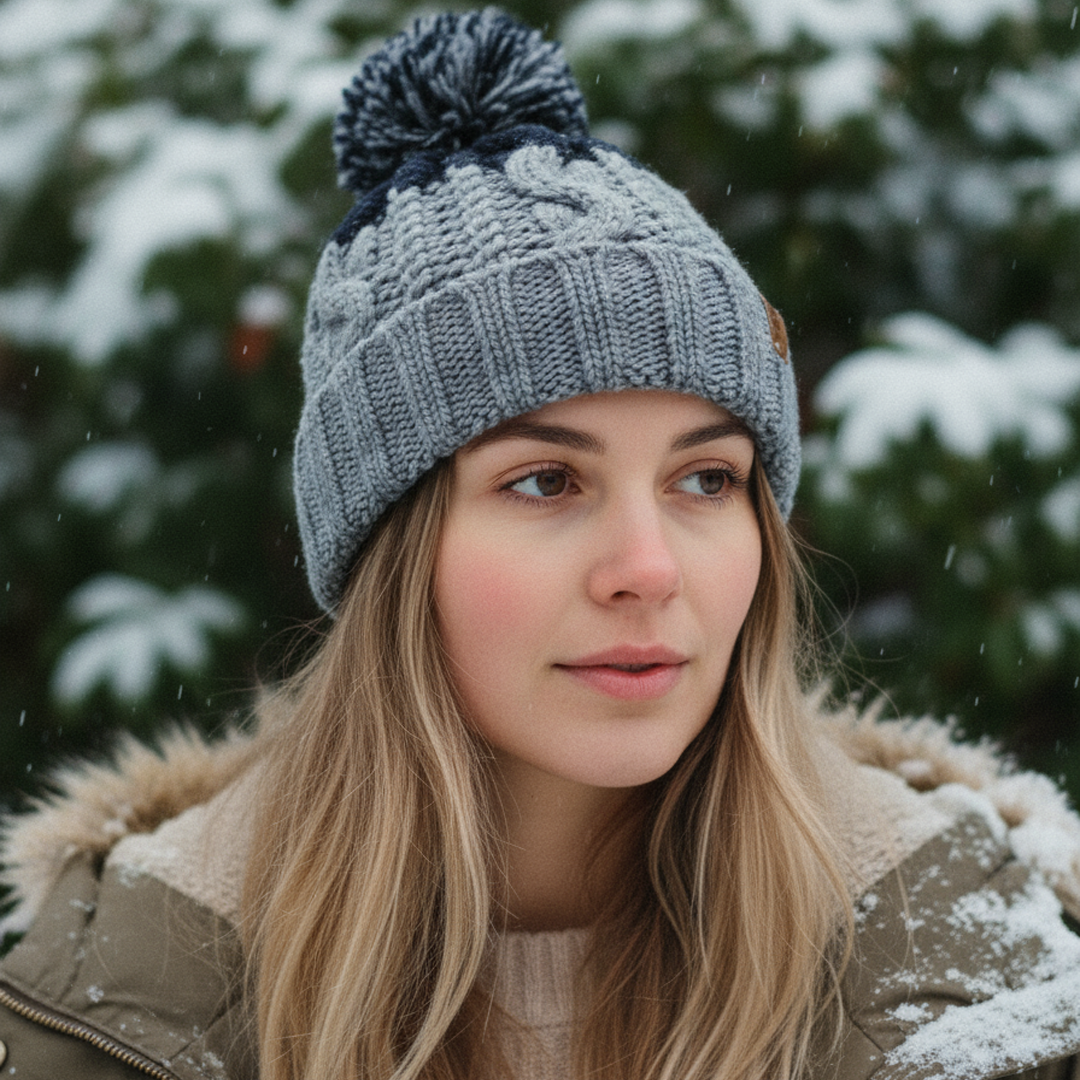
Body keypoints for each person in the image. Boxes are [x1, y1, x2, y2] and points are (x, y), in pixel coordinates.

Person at [2, 10, 1079, 1080]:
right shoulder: (127, 1010)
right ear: (390, 550)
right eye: (546, 480)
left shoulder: (977, 983)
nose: (648, 570)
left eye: (706, 479)